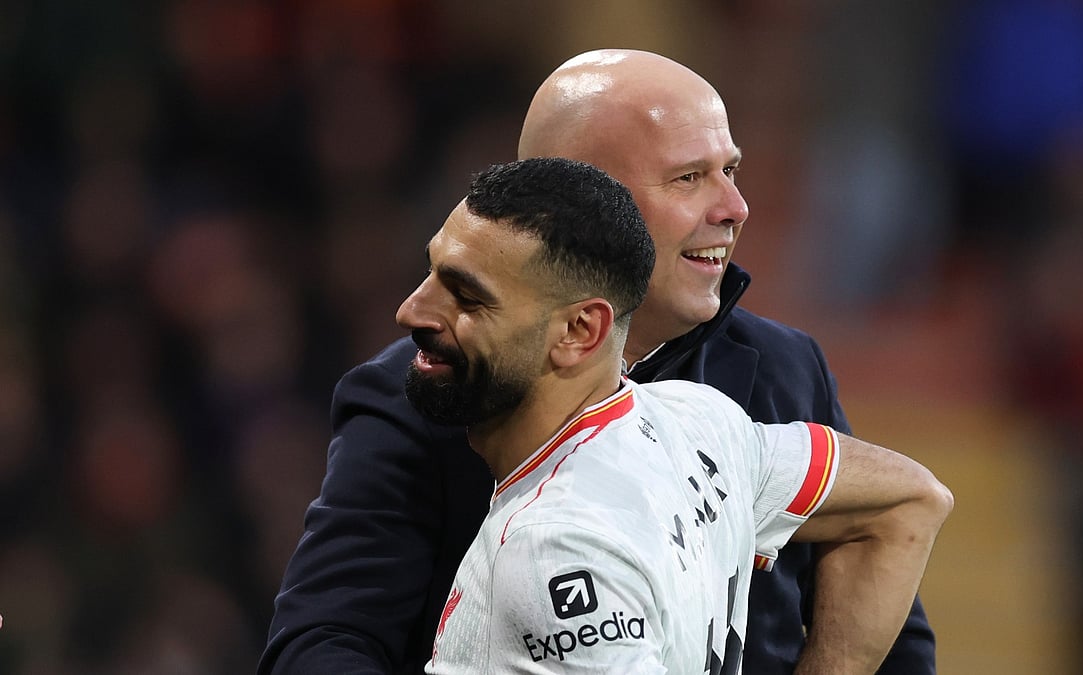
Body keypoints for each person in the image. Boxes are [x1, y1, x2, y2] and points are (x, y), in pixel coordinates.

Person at [261, 49, 940, 675]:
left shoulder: (764, 383)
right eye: (690, 178)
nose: (735, 207)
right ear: (582, 204)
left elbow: (906, 515)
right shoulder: (423, 389)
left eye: (727, 170)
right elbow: (322, 642)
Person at [400, 156, 951, 674]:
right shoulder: (701, 422)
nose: (412, 311)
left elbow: (912, 503)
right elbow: (910, 498)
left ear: (579, 331)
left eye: (467, 298)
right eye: (431, 274)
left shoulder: (558, 547)